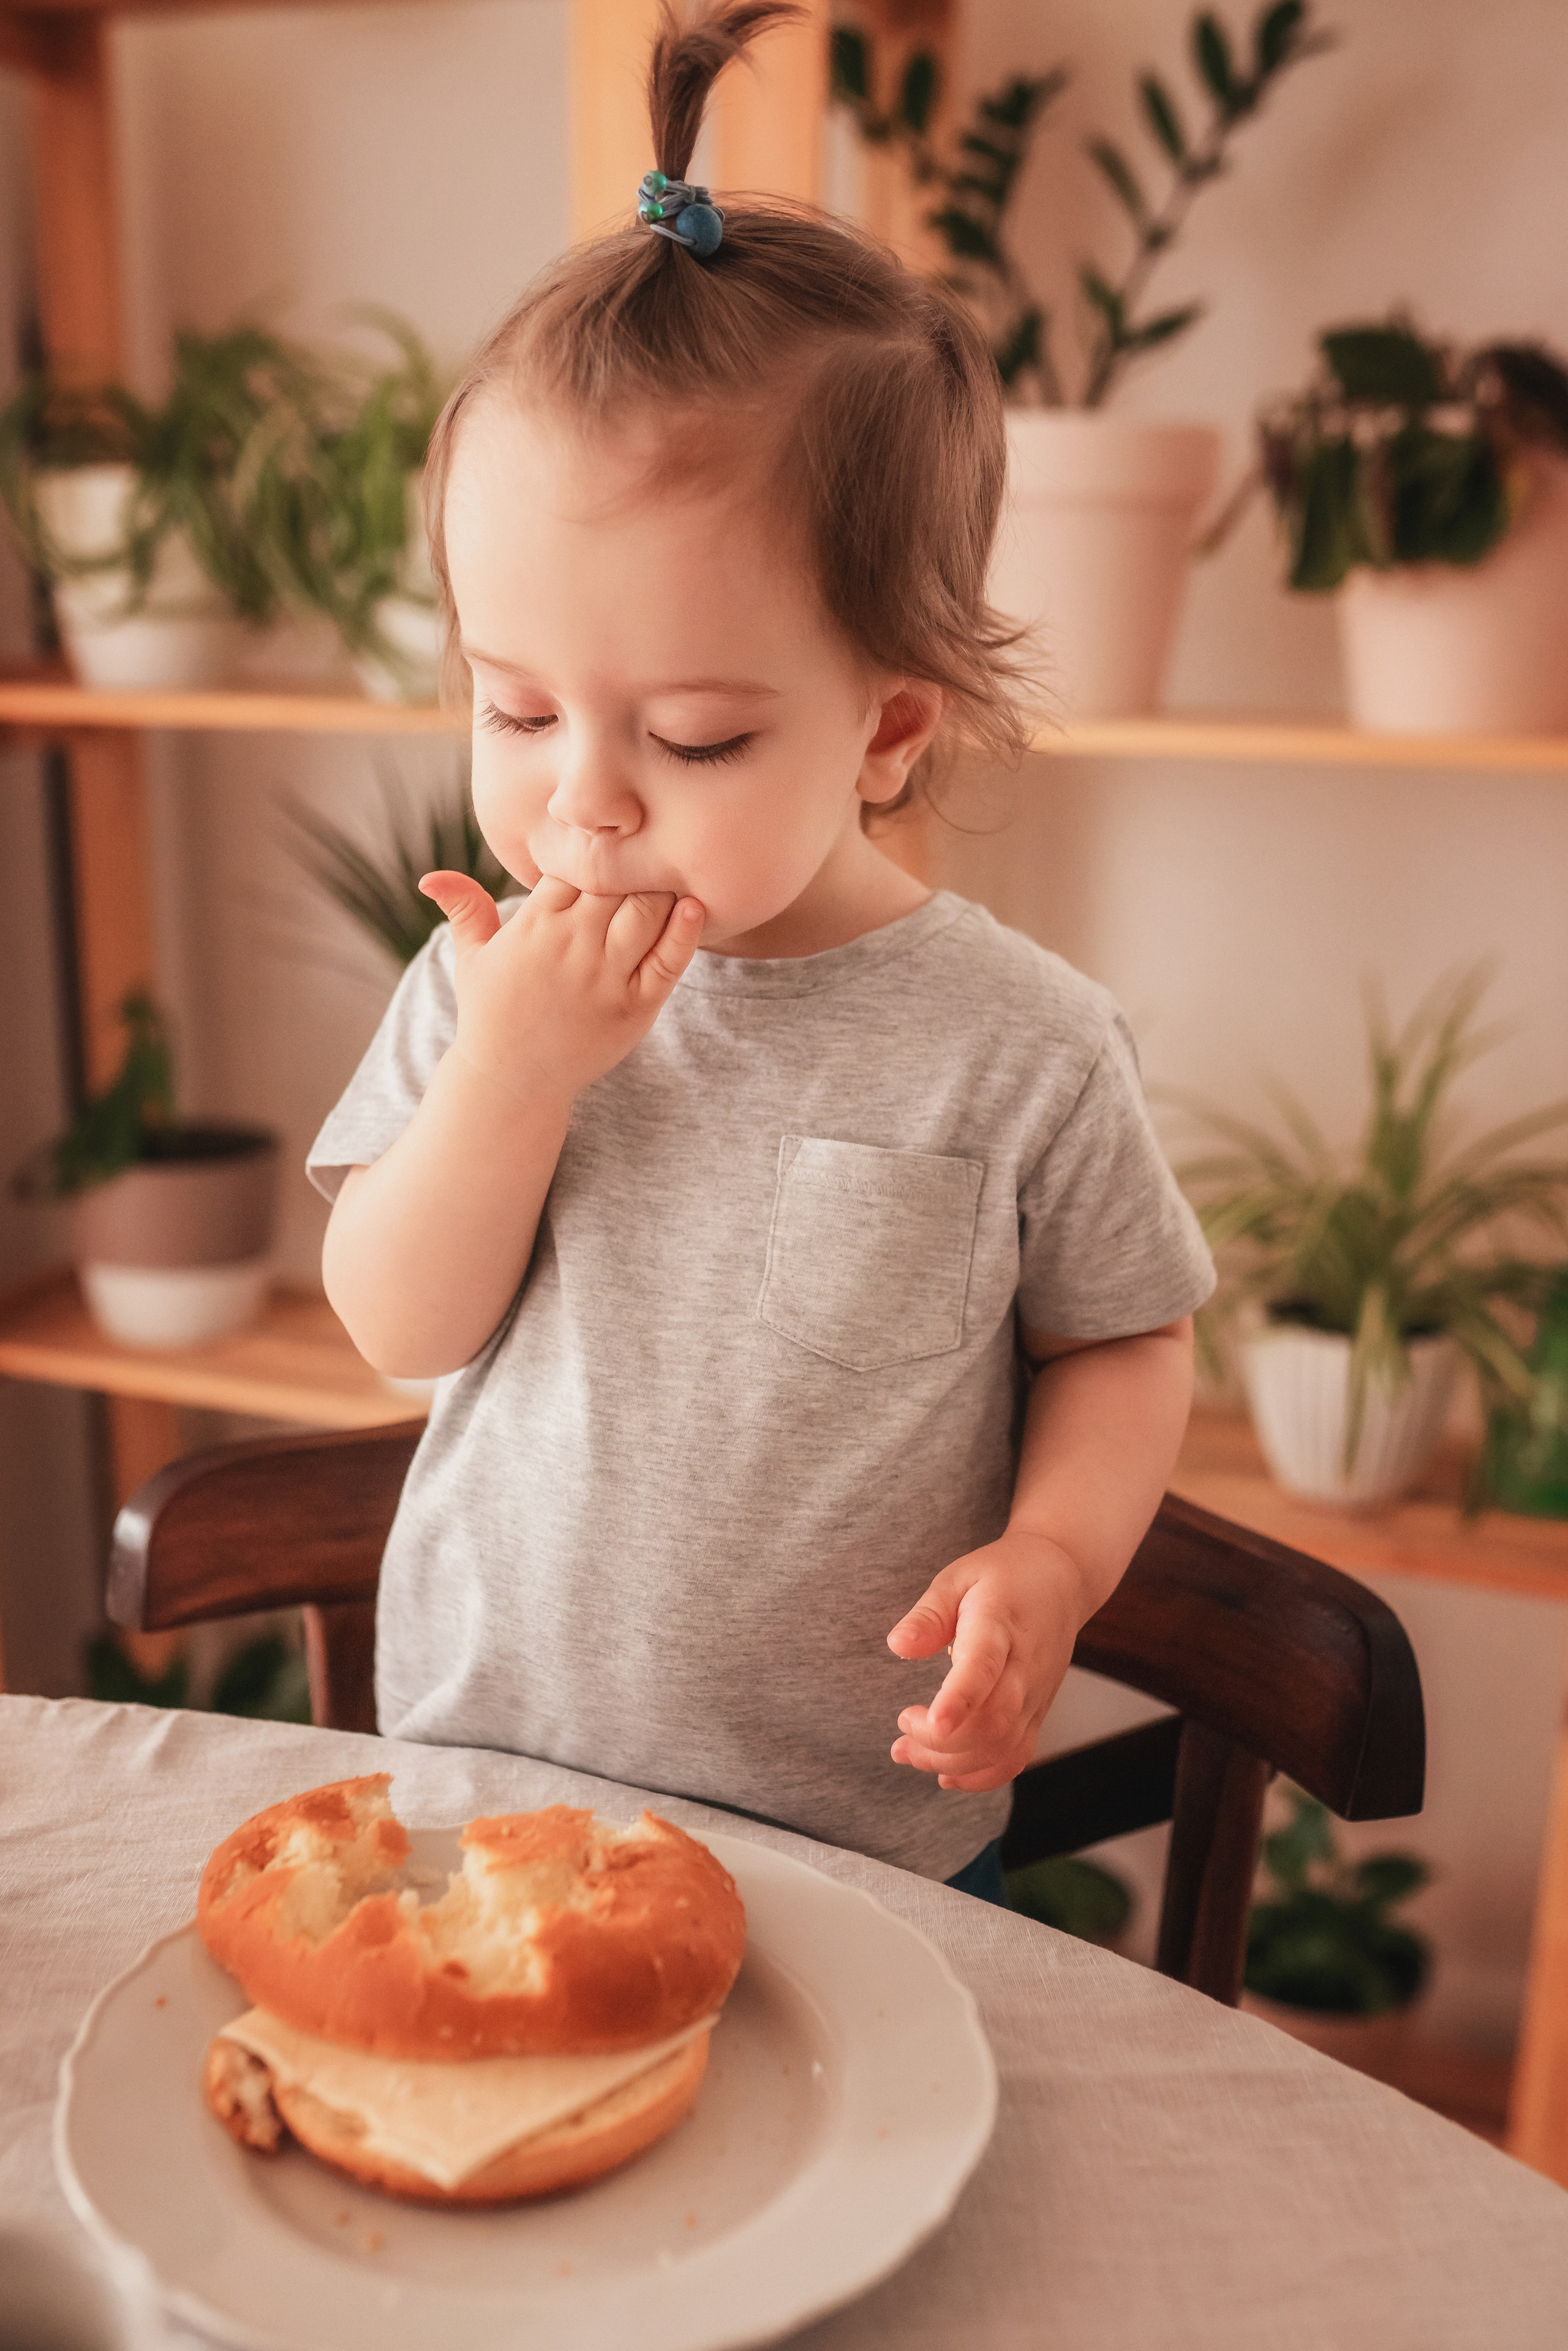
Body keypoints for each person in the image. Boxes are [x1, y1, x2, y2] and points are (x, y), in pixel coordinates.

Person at [309, 0, 1214, 1908]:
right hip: (488, 1797)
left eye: (696, 739)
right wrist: (515, 1076)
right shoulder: (485, 986)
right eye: (517, 710)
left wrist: (1051, 1561)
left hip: (861, 1852)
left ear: (887, 733)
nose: (586, 806)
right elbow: (400, 1325)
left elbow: (1127, 1338)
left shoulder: (1017, 1044)